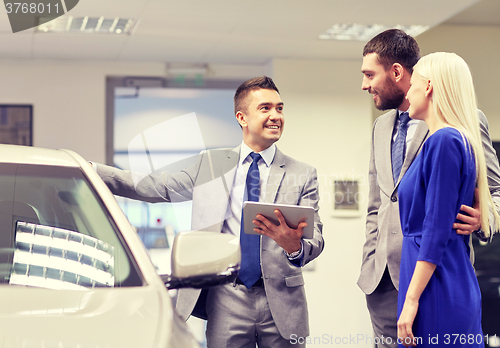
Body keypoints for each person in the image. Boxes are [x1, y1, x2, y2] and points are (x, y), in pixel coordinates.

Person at [93, 76, 324, 348]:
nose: (276, 116)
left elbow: (316, 239)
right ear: (242, 117)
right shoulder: (211, 165)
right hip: (227, 298)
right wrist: (90, 170)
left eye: (280, 108)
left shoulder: (302, 173)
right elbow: (157, 187)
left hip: (283, 301)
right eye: (265, 108)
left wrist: (294, 247)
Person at [358, 29, 500, 348]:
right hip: (383, 277)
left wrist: (485, 217)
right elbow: (377, 203)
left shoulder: (454, 129)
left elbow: (490, 190)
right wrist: (371, 255)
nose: (364, 85)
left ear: (398, 73)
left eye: (369, 74)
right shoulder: (380, 127)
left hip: (434, 269)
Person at [396, 52, 500, 347]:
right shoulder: (444, 139)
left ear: (428, 86)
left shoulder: (445, 141)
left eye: (412, 82)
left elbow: (436, 229)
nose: (408, 91)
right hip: (430, 273)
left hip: (437, 280)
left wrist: (412, 299)